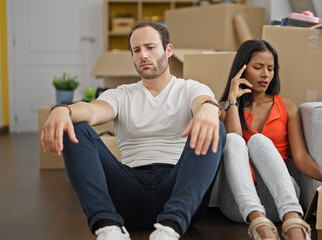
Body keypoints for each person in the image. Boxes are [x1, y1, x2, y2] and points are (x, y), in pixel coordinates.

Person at [40, 21, 226, 240]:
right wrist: (62, 110)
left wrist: (208, 109)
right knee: (75, 126)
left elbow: (204, 101)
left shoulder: (190, 88)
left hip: (178, 191)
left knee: (216, 126)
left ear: (168, 50)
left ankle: (170, 229)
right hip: (129, 192)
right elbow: (92, 110)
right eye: (136, 50)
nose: (143, 55)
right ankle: (107, 228)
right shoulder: (120, 94)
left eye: (150, 47)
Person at [217, 40, 322, 240]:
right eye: (258, 67)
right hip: (238, 203)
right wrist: (232, 99)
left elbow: (300, 156)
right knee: (234, 141)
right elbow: (234, 140)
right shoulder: (225, 107)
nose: (265, 75)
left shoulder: (286, 106)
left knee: (259, 141)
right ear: (241, 70)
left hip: (280, 201)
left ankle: (294, 225)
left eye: (271, 69)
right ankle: (260, 224)